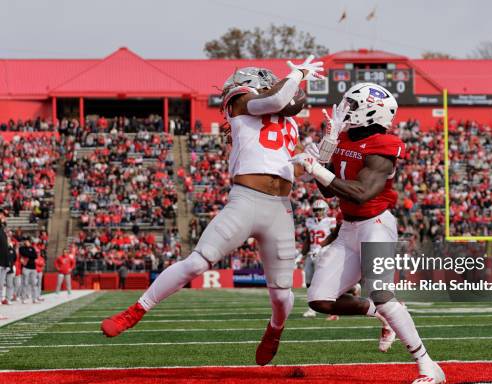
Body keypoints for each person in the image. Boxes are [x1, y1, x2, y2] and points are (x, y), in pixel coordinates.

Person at [100, 56, 324, 367]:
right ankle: (136, 310)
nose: (231, 90)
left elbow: (291, 170)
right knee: (196, 263)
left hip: (281, 208)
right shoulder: (243, 102)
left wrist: (313, 159)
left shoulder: (288, 123)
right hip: (246, 200)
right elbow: (277, 98)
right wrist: (298, 73)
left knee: (281, 294)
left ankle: (275, 330)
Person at [292, 82, 446, 384]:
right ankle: (382, 312)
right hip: (348, 227)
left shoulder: (384, 146)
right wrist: (324, 153)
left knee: (380, 290)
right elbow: (327, 190)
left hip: (376, 224)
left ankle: (428, 365)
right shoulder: (346, 137)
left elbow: (362, 192)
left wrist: (316, 167)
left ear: (370, 111)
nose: (344, 110)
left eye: (351, 105)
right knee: (319, 300)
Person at [301, 199, 338, 318]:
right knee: (309, 282)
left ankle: (333, 309)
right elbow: (307, 239)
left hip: (324, 254)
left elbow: (334, 237)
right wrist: (301, 254)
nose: (317, 212)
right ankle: (312, 309)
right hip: (311, 254)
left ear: (325, 210)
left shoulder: (330, 221)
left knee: (323, 282)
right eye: (316, 210)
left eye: (320, 210)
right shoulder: (309, 221)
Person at [19, 237, 39, 304]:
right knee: (25, 283)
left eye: (28, 242)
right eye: (26, 242)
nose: (27, 243)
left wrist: (29, 254)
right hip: (26, 267)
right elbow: (24, 254)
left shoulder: (32, 248)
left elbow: (35, 256)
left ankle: (34, 298)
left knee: (34, 284)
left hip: (33, 268)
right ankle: (23, 298)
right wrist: (30, 254)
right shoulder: (22, 248)